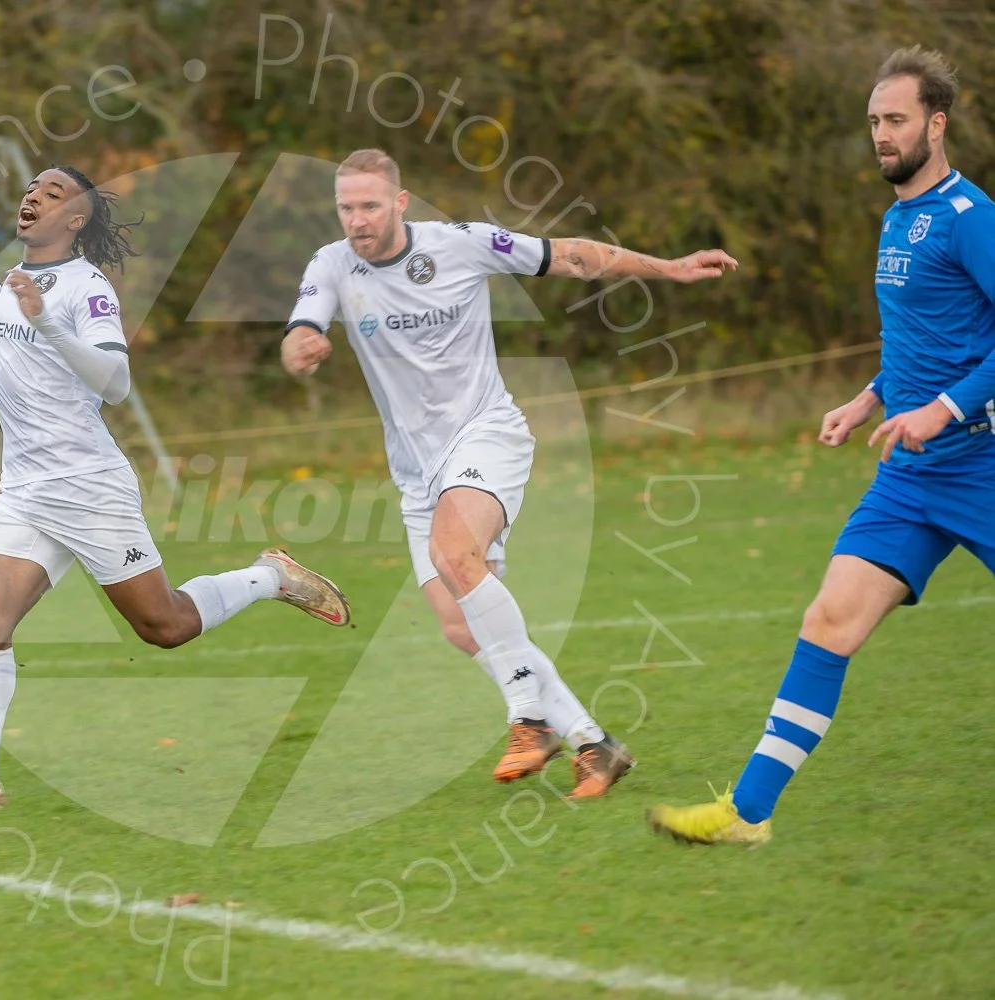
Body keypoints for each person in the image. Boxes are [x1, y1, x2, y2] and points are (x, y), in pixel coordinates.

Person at [283, 149, 736, 799]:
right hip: (416, 473)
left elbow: (573, 255)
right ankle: (593, 743)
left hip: (485, 435)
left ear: (400, 202)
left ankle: (527, 719)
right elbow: (305, 315)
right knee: (461, 626)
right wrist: (300, 341)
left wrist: (668, 269)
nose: (357, 219)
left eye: (370, 205)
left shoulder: (460, 244)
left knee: (453, 552)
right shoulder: (332, 263)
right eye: (346, 207)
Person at [0, 166, 352, 816]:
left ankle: (270, 577)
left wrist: (50, 325)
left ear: (76, 219)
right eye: (32, 188)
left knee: (163, 626)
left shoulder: (88, 288)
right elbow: (6, 321)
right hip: (26, 488)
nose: (33, 197)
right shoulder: (21, 282)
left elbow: (115, 382)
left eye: (53, 194)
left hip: (87, 485)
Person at [648, 46, 995, 845]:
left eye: (896, 120)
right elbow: (929, 336)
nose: (881, 134)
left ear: (936, 125)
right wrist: (873, 395)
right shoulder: (898, 216)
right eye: (874, 120)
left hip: (979, 461)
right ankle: (747, 812)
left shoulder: (971, 219)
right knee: (829, 619)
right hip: (909, 473)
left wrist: (944, 407)